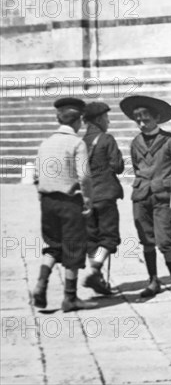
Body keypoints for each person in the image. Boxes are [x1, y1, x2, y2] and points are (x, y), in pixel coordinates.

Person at [32, 97, 96, 312]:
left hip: (47, 201)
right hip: (70, 202)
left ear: (57, 118)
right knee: (73, 247)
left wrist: (43, 195)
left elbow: (36, 175)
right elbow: (84, 176)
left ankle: (42, 282)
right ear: (78, 121)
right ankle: (70, 298)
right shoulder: (77, 143)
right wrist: (87, 200)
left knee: (53, 245)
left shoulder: (46, 142)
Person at [120, 95, 171, 298]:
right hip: (141, 197)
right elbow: (137, 167)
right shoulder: (135, 142)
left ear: (157, 118)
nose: (141, 124)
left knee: (165, 240)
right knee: (146, 239)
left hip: (163, 197)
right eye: (138, 120)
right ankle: (153, 280)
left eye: (146, 120)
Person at [82, 102, 125, 296]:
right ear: (99, 119)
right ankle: (94, 271)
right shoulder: (107, 139)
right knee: (109, 238)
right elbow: (117, 166)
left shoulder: (81, 142)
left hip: (87, 198)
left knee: (92, 239)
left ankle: (97, 278)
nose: (108, 121)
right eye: (106, 118)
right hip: (106, 195)